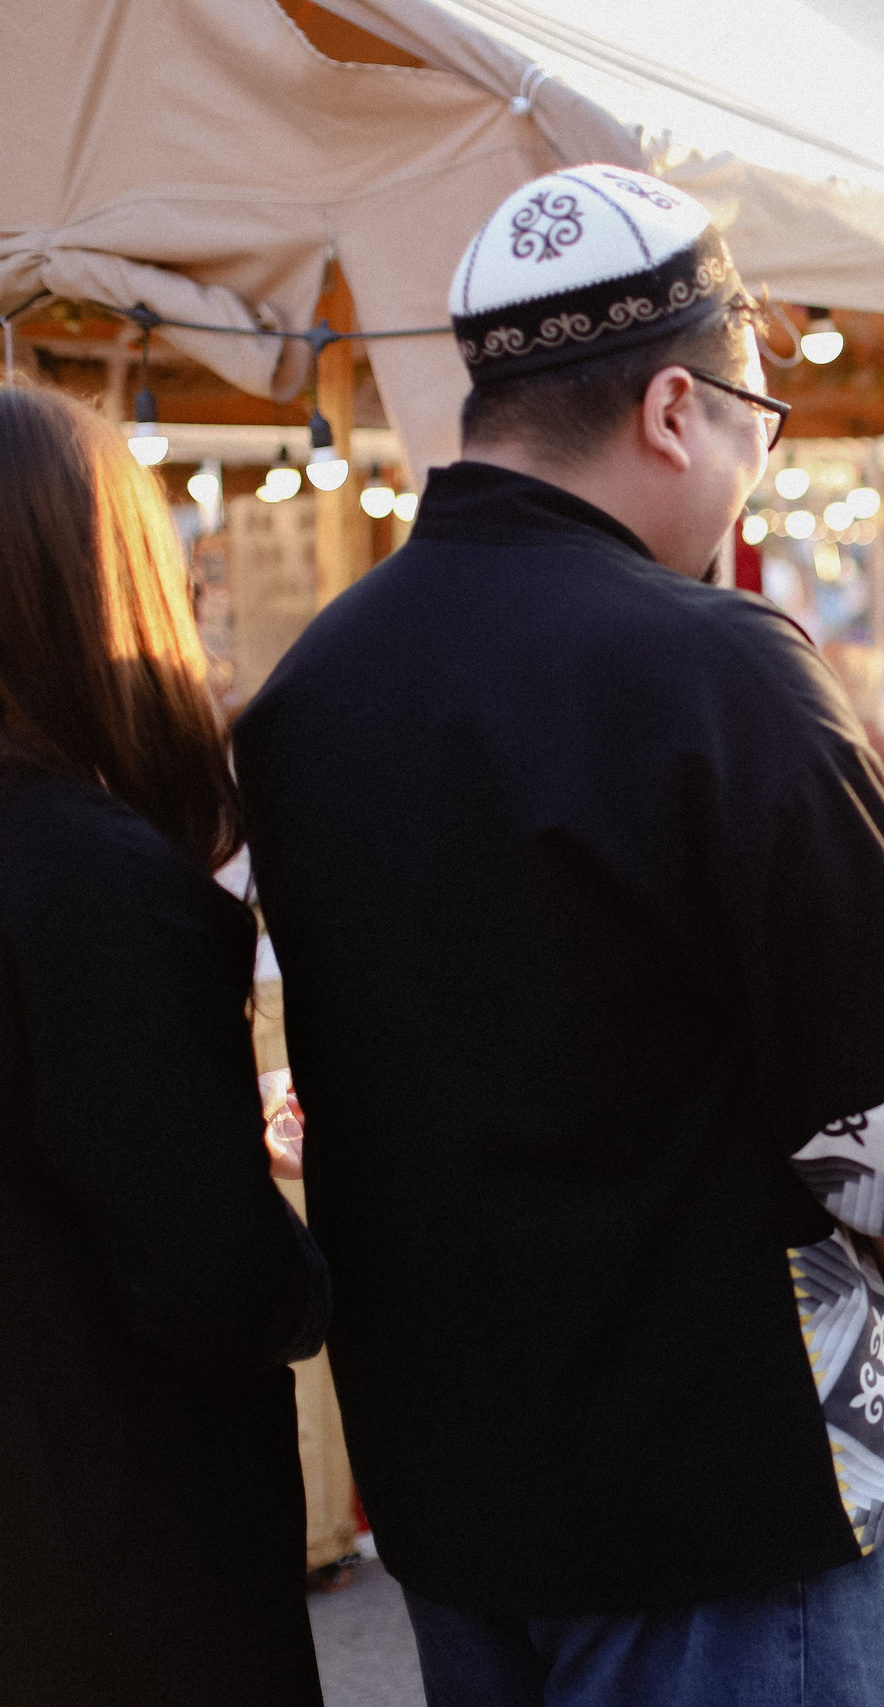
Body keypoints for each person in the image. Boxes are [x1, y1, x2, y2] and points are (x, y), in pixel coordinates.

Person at [234, 168, 884, 1707]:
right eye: (758, 418)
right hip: (727, 1493)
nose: (752, 460)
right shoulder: (723, 672)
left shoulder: (309, 693)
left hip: (450, 1487)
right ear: (677, 409)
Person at [0, 387, 331, 1705]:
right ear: (101, 586)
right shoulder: (86, 879)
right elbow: (209, 1275)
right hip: (113, 1552)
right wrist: (311, 1266)